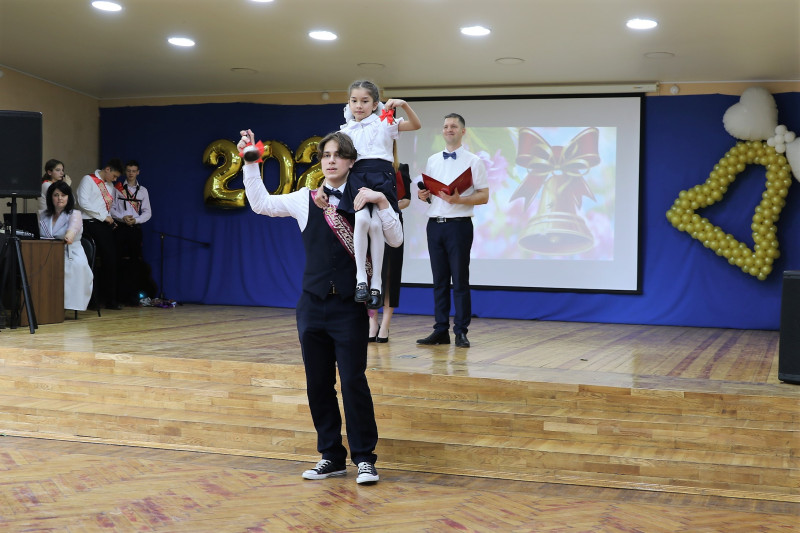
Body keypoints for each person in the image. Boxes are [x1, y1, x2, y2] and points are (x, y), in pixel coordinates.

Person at [239, 129, 402, 485]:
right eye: (326, 155)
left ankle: (365, 458)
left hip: (349, 307)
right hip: (312, 305)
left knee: (353, 382)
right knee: (318, 383)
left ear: (351, 162)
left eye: (338, 155)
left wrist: (383, 201)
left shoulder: (366, 199)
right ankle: (331, 455)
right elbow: (262, 204)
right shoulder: (305, 199)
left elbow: (394, 238)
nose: (331, 161)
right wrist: (251, 162)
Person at [316, 80, 420, 310]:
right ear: (348, 103)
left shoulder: (385, 122)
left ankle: (377, 283)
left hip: (381, 177)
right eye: (354, 101)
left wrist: (403, 105)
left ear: (375, 104)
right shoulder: (345, 131)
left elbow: (416, 125)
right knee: (363, 220)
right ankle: (361, 278)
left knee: (377, 226)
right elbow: (337, 162)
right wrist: (323, 184)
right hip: (357, 177)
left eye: (364, 101)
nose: (359, 105)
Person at [416, 113, 489, 348]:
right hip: (434, 224)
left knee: (459, 280)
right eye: (446, 126)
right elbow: (432, 194)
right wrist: (423, 195)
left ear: (463, 131)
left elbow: (484, 196)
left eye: (454, 126)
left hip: (459, 225)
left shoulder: (474, 161)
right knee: (439, 281)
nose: (449, 129)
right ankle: (440, 330)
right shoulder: (433, 160)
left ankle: (461, 331)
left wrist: (460, 200)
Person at [368, 163, 411, 343]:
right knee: (370, 272)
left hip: (392, 222)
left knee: (390, 274)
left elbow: (407, 200)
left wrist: (389, 206)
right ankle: (372, 323)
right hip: (370, 220)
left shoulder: (401, 168)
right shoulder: (366, 167)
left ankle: (385, 325)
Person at [76, 158, 123, 310]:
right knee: (91, 262)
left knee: (111, 261)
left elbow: (105, 207)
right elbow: (83, 202)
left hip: (104, 224)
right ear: (107, 169)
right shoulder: (88, 180)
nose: (114, 179)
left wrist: (109, 219)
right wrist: (103, 217)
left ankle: (110, 299)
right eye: (114, 176)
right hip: (90, 223)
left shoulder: (110, 186)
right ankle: (91, 300)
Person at [38, 181, 93, 312]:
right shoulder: (43, 215)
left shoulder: (75, 214)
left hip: (71, 254)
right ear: (50, 197)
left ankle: (61, 305)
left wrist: (69, 235)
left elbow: (72, 230)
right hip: (48, 253)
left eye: (63, 195)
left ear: (69, 197)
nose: (60, 198)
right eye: (56, 195)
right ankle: (43, 303)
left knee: (67, 269)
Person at [111, 160, 156, 305]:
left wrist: (136, 220)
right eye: (129, 171)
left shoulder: (143, 191)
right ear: (125, 172)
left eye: (134, 171)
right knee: (117, 260)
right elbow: (111, 208)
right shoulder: (117, 188)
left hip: (135, 228)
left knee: (135, 262)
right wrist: (122, 218)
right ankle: (116, 297)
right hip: (120, 227)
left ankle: (132, 295)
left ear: (138, 172)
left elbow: (147, 212)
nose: (131, 173)